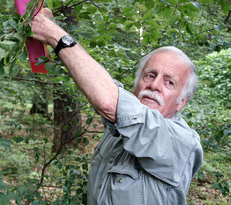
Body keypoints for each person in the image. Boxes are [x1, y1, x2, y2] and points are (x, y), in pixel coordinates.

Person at [31, 8, 203, 205]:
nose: (154, 86)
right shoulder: (121, 125)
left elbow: (108, 101)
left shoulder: (182, 142)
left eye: (169, 82)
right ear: (137, 83)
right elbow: (96, 83)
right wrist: (52, 28)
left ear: (182, 101)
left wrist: (54, 35)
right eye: (150, 75)